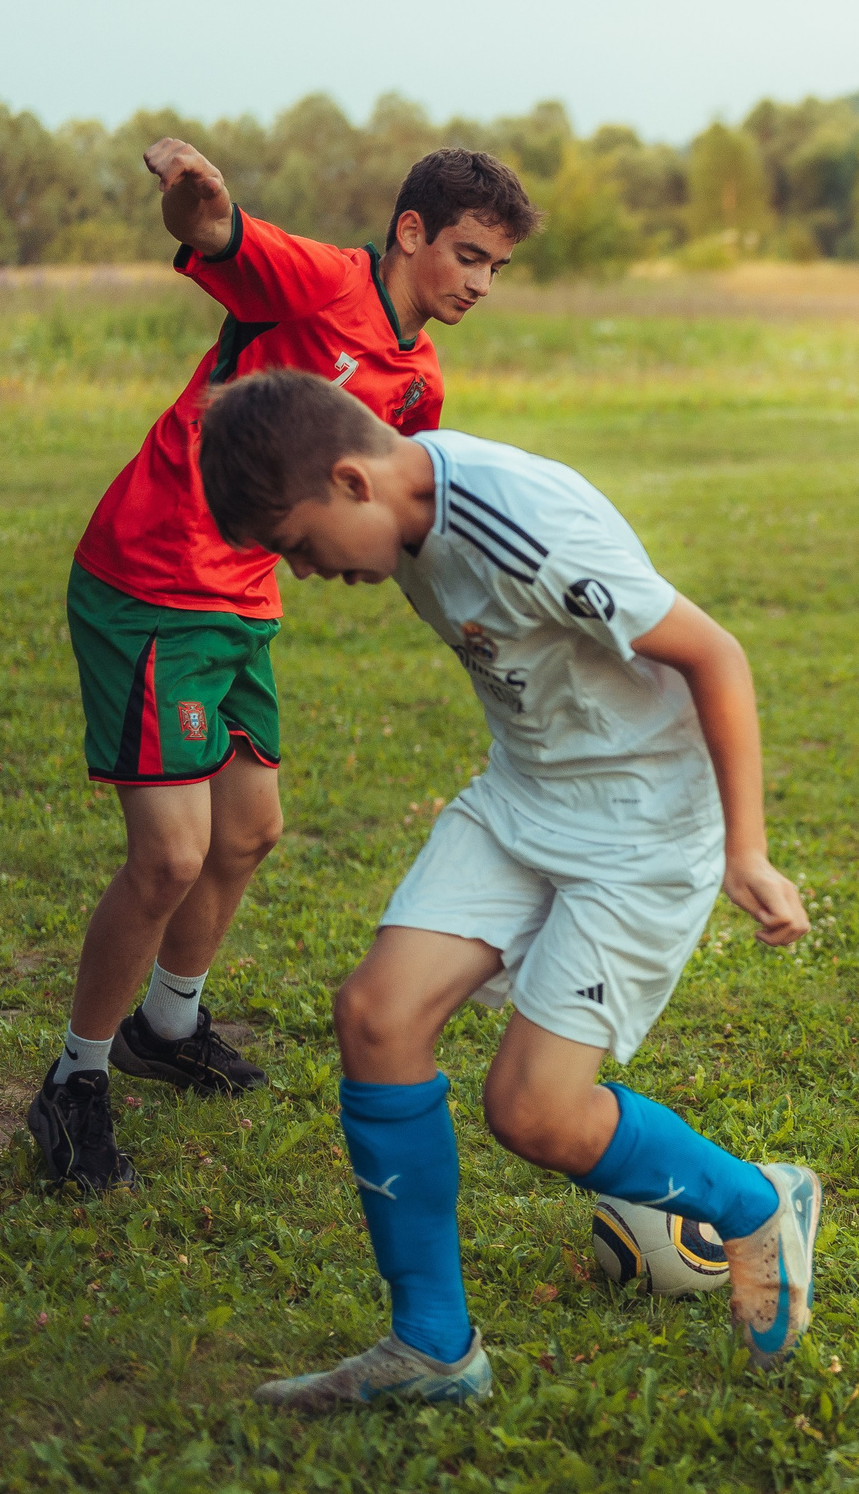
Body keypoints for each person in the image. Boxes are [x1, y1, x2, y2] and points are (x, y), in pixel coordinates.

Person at [195, 370, 822, 1410]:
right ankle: (433, 1348)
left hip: (642, 823)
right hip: (524, 798)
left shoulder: (527, 531)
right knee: (376, 1017)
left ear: (353, 482)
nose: (304, 573)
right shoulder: (395, 511)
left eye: (300, 546)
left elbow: (716, 656)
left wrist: (745, 854)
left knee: (533, 1113)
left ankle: (757, 1204)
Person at [28, 141, 541, 1195]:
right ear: (411, 233)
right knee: (170, 856)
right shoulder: (319, 282)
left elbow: (395, 513)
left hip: (243, 600)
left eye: (496, 267)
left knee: (250, 830)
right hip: (154, 581)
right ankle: (74, 1080)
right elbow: (216, 237)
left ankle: (165, 1027)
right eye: (470, 257)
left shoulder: (418, 380)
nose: (481, 284)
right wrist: (199, 203)